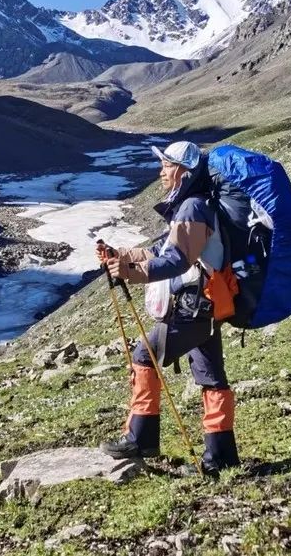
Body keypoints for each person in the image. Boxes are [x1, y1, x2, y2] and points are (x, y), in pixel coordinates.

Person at [96, 140, 240, 475]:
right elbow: (162, 251)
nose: (161, 171)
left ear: (185, 171)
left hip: (193, 306)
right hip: (208, 305)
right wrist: (122, 256)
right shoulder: (195, 205)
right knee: (211, 377)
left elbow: (176, 261)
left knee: (144, 356)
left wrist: (130, 273)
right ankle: (220, 457)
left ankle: (139, 437)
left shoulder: (191, 208)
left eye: (167, 165)